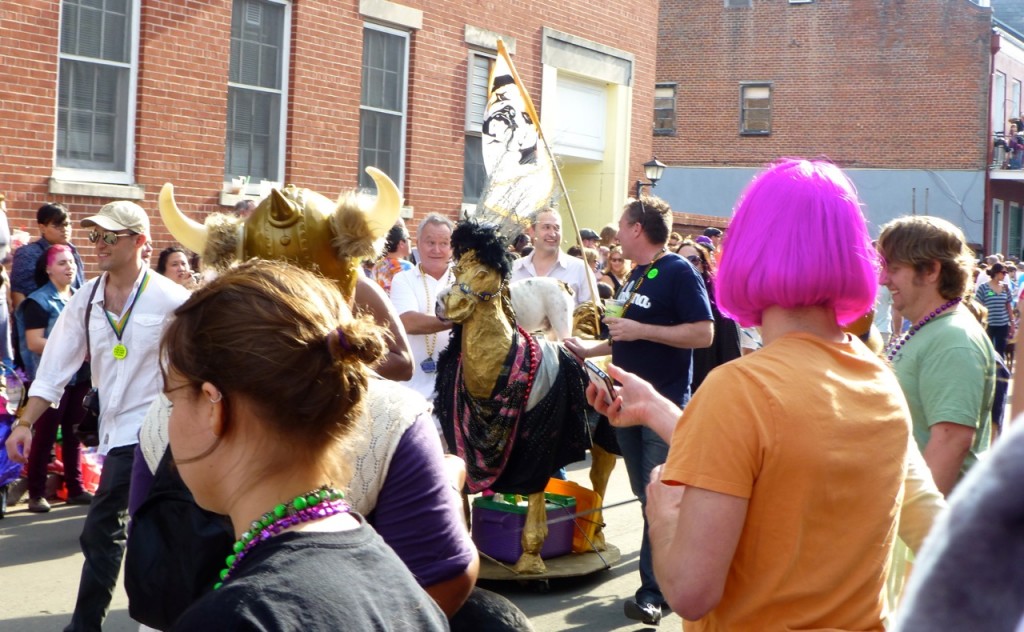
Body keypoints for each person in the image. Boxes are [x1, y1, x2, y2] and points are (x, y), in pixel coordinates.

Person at [589, 159, 910, 629]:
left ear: (747, 250)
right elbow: (777, 459)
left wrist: (663, 513)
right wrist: (656, 408)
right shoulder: (879, 379)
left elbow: (691, 591)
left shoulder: (739, 390)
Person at [159, 259, 448, 630]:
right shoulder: (402, 586)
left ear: (214, 405)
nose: (169, 423)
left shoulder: (235, 619)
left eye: (174, 400)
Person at [5, 200, 191, 631]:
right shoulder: (86, 299)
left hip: (158, 433)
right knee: (150, 531)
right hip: (113, 432)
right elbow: (54, 368)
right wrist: (25, 422)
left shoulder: (173, 301)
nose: (98, 244)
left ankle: (86, 626)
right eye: (94, 236)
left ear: (140, 242)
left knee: (104, 528)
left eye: (109, 235)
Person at [566, 195, 713, 626]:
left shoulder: (678, 271)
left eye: (621, 224)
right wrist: (588, 348)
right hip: (621, 403)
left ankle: (655, 592)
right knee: (644, 492)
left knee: (657, 493)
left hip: (661, 403)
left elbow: (703, 333)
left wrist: (640, 328)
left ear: (635, 229)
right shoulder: (633, 276)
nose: (616, 231)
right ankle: (669, 564)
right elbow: (622, 336)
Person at [878, 215, 996, 497]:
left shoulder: (953, 338)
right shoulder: (934, 331)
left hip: (932, 529)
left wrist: (915, 533)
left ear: (931, 270)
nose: (883, 279)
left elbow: (951, 442)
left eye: (893, 268)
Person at [13, 245, 93, 513]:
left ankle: (76, 487)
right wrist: (75, 350)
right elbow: (35, 343)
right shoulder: (38, 301)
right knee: (45, 436)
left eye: (71, 262)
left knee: (74, 434)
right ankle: (36, 493)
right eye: (61, 263)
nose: (69, 267)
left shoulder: (80, 298)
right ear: (48, 269)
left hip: (80, 376)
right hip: (51, 380)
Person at [389, 214, 455, 407]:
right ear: (417, 243)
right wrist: (457, 320)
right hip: (411, 389)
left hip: (453, 389)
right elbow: (408, 322)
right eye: (430, 242)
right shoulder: (403, 279)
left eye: (444, 243)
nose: (437, 249)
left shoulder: (464, 281)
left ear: (452, 247)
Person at [677, 237, 741, 392]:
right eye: (679, 261)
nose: (687, 266)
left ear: (704, 266)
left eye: (693, 260)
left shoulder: (722, 311)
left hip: (709, 393)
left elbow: (731, 360)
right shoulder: (668, 306)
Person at [511, 208, 593, 305]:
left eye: (556, 228)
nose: (552, 234)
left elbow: (592, 314)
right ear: (532, 231)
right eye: (546, 227)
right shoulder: (514, 269)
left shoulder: (580, 269)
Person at [11, 203, 85, 308]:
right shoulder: (28, 254)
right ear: (42, 228)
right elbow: (18, 293)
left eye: (67, 224)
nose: (64, 229)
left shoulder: (72, 252)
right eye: (57, 225)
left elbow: (80, 285)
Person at [974, 261, 1015, 358]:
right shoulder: (983, 287)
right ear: (996, 273)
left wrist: (1012, 323)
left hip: (1003, 324)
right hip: (988, 324)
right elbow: (977, 305)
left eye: (1006, 273)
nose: (1005, 275)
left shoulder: (1005, 287)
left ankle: (999, 371)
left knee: (1000, 351)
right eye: (1003, 273)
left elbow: (1008, 305)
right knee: (987, 350)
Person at [372, 219, 414, 295]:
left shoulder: (377, 266)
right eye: (409, 239)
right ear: (401, 243)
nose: (411, 241)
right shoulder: (407, 267)